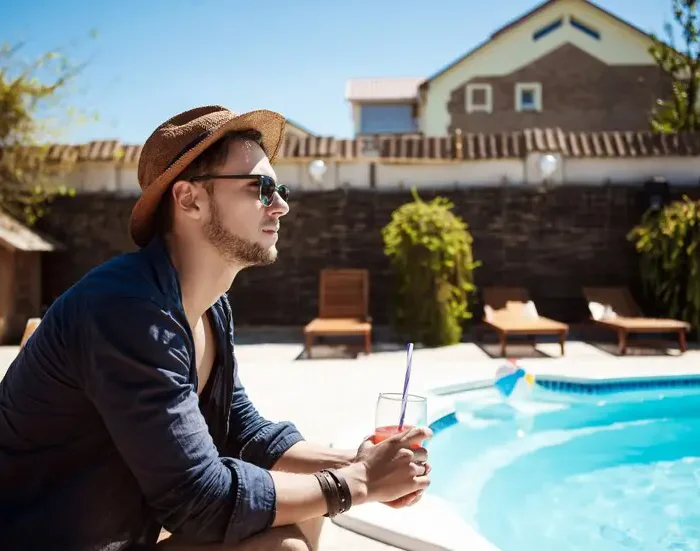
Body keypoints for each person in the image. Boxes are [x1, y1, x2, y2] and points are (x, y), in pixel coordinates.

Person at [0, 105, 431, 551]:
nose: (281, 205)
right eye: (261, 188)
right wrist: (357, 483)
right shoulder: (126, 310)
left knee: (309, 515)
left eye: (278, 188)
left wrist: (359, 461)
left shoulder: (209, 308)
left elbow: (243, 431)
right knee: (286, 543)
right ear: (190, 199)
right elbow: (198, 500)